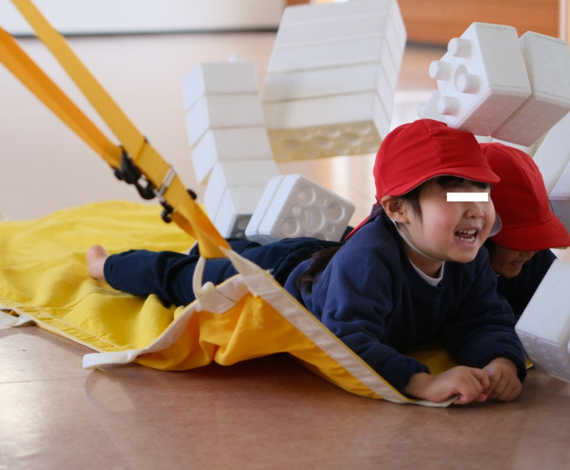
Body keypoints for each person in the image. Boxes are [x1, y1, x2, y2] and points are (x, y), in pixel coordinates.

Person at [87, 119, 527, 404]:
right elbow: (345, 340)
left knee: (247, 246)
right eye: (456, 195)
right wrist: (422, 382)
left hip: (323, 253)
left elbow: (483, 317)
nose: (477, 210)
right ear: (397, 209)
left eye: (482, 192)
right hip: (279, 276)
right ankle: (107, 265)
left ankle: (237, 240)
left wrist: (501, 361)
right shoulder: (370, 262)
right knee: (187, 277)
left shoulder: (468, 258)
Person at [480, 142, 570, 317]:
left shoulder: (536, 263)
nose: (530, 252)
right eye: (519, 241)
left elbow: (561, 309)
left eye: (536, 239)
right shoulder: (456, 278)